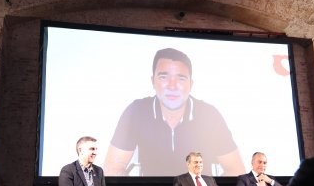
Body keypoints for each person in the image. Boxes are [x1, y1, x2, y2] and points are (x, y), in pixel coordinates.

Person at [103, 47, 245, 176]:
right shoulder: (136, 111)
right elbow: (112, 169)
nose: (172, 86)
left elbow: (236, 170)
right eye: (163, 77)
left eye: (181, 78)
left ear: (191, 84)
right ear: (153, 81)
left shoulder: (209, 115)